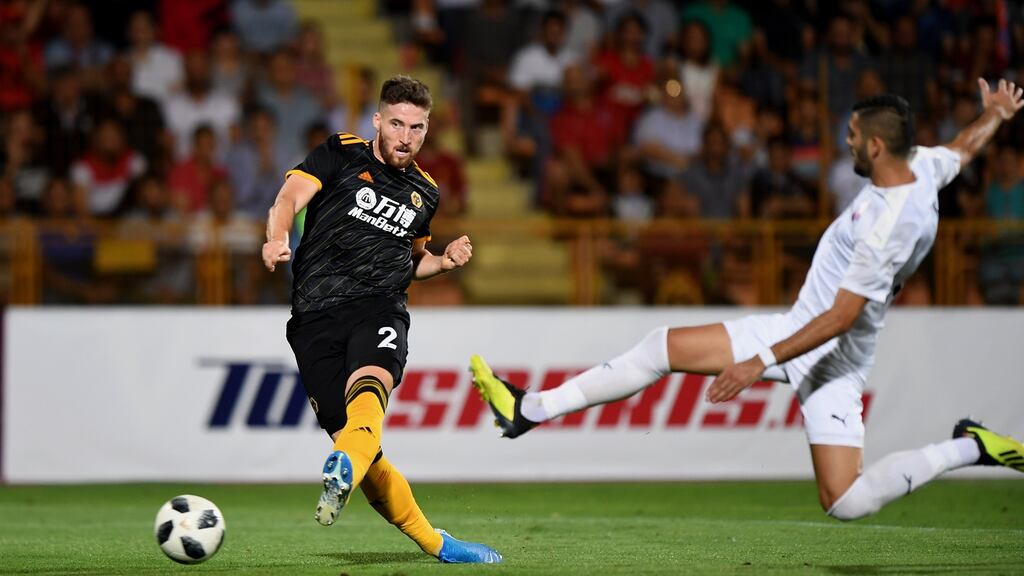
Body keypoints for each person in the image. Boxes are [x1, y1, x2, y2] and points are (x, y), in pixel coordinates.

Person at [470, 78, 1024, 521]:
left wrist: (759, 361)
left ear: (876, 147)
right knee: (660, 347)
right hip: (801, 326)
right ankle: (530, 409)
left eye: (854, 135)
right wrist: (995, 115)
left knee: (845, 502)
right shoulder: (920, 166)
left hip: (831, 354)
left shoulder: (885, 226)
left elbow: (842, 316)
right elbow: (962, 149)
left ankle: (969, 448)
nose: (848, 142)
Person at [262, 76, 501, 563]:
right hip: (313, 318)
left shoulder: (425, 193)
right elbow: (288, 199)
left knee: (371, 391)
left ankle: (349, 471)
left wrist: (443, 262)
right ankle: (434, 539)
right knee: (365, 455)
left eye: (416, 128)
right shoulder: (341, 152)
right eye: (396, 124)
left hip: (379, 306)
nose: (405, 137)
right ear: (377, 121)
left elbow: (412, 261)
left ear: (427, 129)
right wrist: (276, 238)